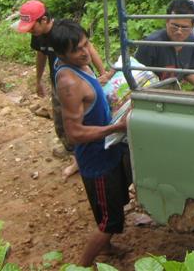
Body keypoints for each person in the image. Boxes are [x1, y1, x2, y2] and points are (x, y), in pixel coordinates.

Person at [49, 20, 131, 268]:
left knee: (114, 205)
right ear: (62, 54)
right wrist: (116, 128)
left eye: (86, 44)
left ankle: (106, 248)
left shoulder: (80, 65)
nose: (85, 52)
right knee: (109, 222)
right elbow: (74, 133)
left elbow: (90, 105)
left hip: (109, 148)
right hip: (97, 159)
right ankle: (82, 265)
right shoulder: (69, 83)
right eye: (77, 50)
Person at [16, 0, 112, 178]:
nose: (30, 31)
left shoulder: (64, 32)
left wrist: (102, 73)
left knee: (88, 120)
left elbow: (88, 47)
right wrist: (38, 80)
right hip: (60, 86)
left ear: (44, 20)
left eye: (32, 27)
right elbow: (41, 54)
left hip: (80, 84)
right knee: (62, 124)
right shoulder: (38, 36)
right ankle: (77, 157)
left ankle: (86, 157)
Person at [134, 0, 194, 94]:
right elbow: (135, 77)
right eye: (175, 26)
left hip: (172, 93)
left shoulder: (190, 40)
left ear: (193, 26)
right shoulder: (151, 44)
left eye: (184, 27)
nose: (179, 31)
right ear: (167, 21)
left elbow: (190, 72)